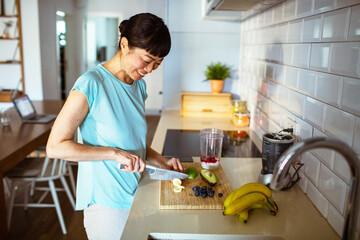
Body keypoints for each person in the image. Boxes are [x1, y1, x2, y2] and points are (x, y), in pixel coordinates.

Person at [46, 13, 184, 239]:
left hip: (135, 192)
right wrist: (113, 153)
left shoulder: (138, 86)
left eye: (157, 64)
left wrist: (161, 160)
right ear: (124, 44)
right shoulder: (91, 83)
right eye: (147, 60)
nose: (150, 70)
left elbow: (132, 140)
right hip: (105, 203)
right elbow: (55, 147)